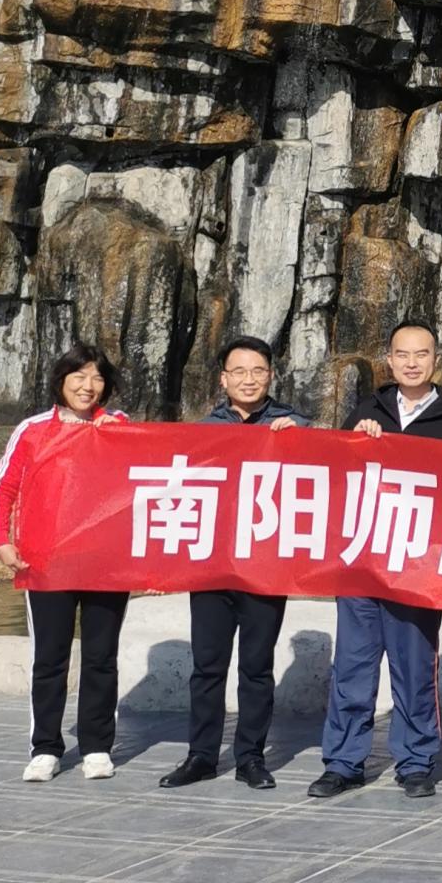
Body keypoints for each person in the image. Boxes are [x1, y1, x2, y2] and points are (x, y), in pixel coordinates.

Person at [309, 320, 442, 802]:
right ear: (389, 360)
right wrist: (354, 439)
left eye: (421, 354)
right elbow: (332, 474)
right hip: (362, 564)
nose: (411, 363)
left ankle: (416, 762)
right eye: (402, 354)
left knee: (415, 670)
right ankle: (343, 763)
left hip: (417, 569)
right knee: (352, 668)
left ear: (436, 360)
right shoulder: (367, 410)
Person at [160, 336, 303, 792]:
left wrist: (300, 442)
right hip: (213, 566)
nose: (248, 379)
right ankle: (201, 756)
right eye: (239, 371)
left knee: (256, 667)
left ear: (271, 376)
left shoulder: (294, 425)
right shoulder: (203, 431)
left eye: (257, 371)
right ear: (223, 379)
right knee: (207, 666)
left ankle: (250, 758)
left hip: (265, 567)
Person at [0, 345, 130, 782]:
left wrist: (118, 435)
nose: (88, 386)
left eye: (97, 378)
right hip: (46, 561)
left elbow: (152, 478)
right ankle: (45, 747)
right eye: (79, 376)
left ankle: (97, 746)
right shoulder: (33, 429)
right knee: (50, 658)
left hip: (106, 563)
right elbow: (2, 487)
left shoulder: (120, 426)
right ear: (61, 380)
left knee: (102, 656)